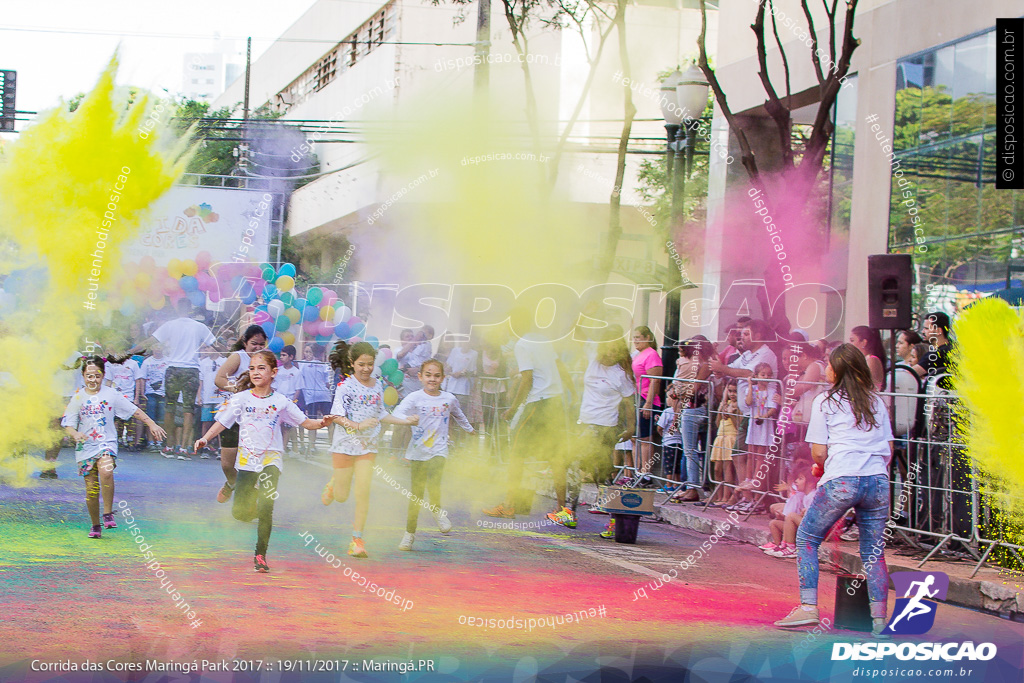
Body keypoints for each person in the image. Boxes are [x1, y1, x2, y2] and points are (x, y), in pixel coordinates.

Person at [774, 344, 894, 637]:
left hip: (842, 476)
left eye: (828, 364)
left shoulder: (825, 401)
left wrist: (823, 468)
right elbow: (889, 448)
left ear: (837, 370)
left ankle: (808, 607)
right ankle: (879, 621)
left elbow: (818, 453)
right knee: (873, 552)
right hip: (877, 479)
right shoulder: (876, 401)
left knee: (806, 538)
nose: (825, 368)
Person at [195, 350, 329, 573]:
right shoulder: (241, 399)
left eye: (261, 368)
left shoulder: (281, 402)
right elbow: (222, 422)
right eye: (252, 369)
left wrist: (323, 423)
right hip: (247, 461)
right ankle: (253, 500)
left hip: (271, 459)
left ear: (273, 372)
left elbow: (306, 423)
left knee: (267, 508)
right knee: (240, 513)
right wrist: (205, 438)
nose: (255, 372)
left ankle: (261, 554)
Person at [321, 342, 419, 558]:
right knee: (342, 496)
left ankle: (357, 540)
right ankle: (334, 483)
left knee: (363, 491)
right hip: (345, 445)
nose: (366, 369)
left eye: (370, 364)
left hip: (368, 446)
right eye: (361, 364)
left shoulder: (377, 385)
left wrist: (406, 422)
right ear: (352, 363)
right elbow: (336, 416)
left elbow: (382, 413)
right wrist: (357, 426)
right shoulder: (344, 386)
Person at [483, 309, 572, 520]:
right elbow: (559, 367)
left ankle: (509, 505)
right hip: (555, 403)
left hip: (538, 403)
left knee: (516, 454)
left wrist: (513, 409)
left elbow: (527, 379)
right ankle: (563, 510)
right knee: (556, 458)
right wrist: (573, 394)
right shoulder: (542, 339)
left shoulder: (521, 344)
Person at [62, 356, 166, 538]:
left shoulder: (111, 394)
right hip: (85, 447)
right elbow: (68, 423)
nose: (93, 380)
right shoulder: (77, 397)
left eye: (97, 376)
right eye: (89, 376)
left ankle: (108, 513)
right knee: (91, 488)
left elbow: (134, 410)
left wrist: (152, 424)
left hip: (106, 443)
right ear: (83, 376)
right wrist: (75, 434)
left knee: (106, 471)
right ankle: (95, 525)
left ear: (103, 375)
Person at [392, 359, 473, 550]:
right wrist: (408, 419)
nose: (432, 379)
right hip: (418, 451)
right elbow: (397, 413)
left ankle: (437, 511)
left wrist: (469, 430)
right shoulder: (414, 398)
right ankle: (409, 535)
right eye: (428, 375)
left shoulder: (449, 398)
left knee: (434, 481)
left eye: (437, 376)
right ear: (420, 377)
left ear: (443, 378)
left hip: (439, 449)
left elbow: (459, 414)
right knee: (416, 494)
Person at [128, 299, 216, 457]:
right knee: (188, 410)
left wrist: (130, 351)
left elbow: (150, 342)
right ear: (190, 309)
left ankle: (169, 446)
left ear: (177, 309)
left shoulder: (170, 325)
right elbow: (216, 344)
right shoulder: (199, 326)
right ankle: (183, 448)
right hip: (191, 370)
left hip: (174, 369)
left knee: (170, 407)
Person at [710, 319, 778, 507]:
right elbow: (734, 369)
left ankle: (753, 498)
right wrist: (721, 370)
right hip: (745, 412)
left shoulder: (766, 354)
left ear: (758, 336)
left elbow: (748, 373)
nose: (742, 336)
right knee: (741, 455)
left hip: (759, 414)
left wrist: (724, 369)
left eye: (747, 333)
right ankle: (745, 495)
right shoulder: (748, 353)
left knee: (755, 457)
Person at [572, 328, 635, 534]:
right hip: (585, 422)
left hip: (605, 427)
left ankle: (613, 522)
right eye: (606, 350)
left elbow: (629, 404)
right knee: (593, 472)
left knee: (594, 471)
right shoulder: (593, 359)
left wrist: (631, 428)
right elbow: (577, 331)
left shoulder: (621, 374)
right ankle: (570, 513)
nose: (609, 355)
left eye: (614, 352)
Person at [213, 325, 267, 502]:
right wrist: (237, 388)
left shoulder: (267, 360)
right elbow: (219, 379)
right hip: (233, 416)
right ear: (245, 343)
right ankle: (231, 483)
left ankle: (248, 498)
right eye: (254, 343)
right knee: (227, 464)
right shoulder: (239, 357)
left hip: (256, 419)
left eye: (261, 344)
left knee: (252, 464)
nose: (258, 347)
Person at [670, 336, 714, 501]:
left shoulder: (704, 365)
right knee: (690, 451)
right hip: (692, 408)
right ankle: (690, 486)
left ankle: (693, 487)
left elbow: (693, 388)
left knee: (690, 451)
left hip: (695, 408)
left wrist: (678, 390)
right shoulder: (701, 364)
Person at [734, 362, 779, 511]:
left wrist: (764, 416)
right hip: (754, 424)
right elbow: (748, 403)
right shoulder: (751, 389)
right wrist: (749, 385)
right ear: (756, 376)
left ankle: (757, 484)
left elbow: (773, 408)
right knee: (750, 454)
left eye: (768, 375)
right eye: (762, 374)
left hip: (764, 424)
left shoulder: (771, 390)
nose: (765, 378)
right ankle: (748, 483)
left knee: (761, 455)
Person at [760, 462, 818, 558]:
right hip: (806, 526)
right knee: (774, 523)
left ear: (811, 483)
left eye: (800, 479)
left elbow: (815, 518)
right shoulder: (805, 496)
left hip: (815, 530)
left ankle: (791, 548)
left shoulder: (813, 495)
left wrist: (804, 513)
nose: (796, 481)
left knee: (790, 516)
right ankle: (781, 545)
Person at [631, 326, 663, 486]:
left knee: (645, 437)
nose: (635, 340)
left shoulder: (652, 355)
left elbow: (655, 381)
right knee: (635, 437)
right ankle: (637, 470)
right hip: (637, 397)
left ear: (648, 337)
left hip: (646, 398)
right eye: (634, 337)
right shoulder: (639, 354)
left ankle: (646, 473)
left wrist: (649, 403)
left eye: (638, 337)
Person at [708, 380, 741, 507]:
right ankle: (719, 495)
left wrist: (731, 414)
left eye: (735, 392)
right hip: (720, 436)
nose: (732, 394)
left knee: (728, 468)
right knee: (717, 469)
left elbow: (738, 426)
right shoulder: (725, 403)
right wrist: (721, 412)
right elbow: (717, 423)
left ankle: (726, 496)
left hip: (730, 436)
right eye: (730, 391)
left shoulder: (737, 406)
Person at [103, 351, 144, 452]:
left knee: (129, 420)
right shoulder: (112, 363)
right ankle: (118, 439)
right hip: (115, 395)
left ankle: (130, 439)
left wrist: (136, 397)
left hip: (128, 396)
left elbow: (137, 380)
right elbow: (109, 380)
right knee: (116, 419)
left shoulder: (133, 364)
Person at [299, 344, 332, 454]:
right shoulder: (302, 364)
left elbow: (328, 382)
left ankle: (332, 446)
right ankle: (312, 446)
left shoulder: (323, 364)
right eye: (306, 351)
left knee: (329, 422)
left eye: (310, 352)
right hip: (310, 398)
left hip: (324, 396)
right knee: (312, 422)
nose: (308, 354)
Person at [273, 344, 304, 453]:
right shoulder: (278, 370)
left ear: (291, 357)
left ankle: (283, 449)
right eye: (280, 355)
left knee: (287, 427)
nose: (281, 357)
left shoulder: (296, 372)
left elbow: (298, 389)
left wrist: (293, 402)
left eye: (284, 355)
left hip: (289, 402)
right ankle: (277, 447)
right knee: (277, 426)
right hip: (277, 402)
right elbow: (274, 386)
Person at [139, 347, 169, 450]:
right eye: (156, 348)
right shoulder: (147, 362)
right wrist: (142, 393)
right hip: (150, 393)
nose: (158, 350)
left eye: (160, 348)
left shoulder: (167, 361)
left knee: (162, 419)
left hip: (163, 394)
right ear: (152, 349)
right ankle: (151, 441)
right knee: (150, 419)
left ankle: (159, 441)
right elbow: (142, 378)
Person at [850, 325, 887, 390]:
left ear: (863, 342)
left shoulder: (872, 360)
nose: (850, 344)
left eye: (852, 340)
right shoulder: (862, 360)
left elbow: (867, 385)